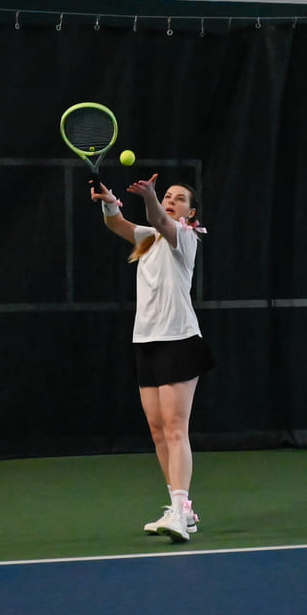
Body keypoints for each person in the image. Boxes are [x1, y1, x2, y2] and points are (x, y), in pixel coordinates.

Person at [92, 174, 215, 543]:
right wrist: (109, 202)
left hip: (180, 341)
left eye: (179, 199)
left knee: (176, 428)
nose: (171, 201)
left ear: (190, 212)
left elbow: (159, 218)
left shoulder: (186, 237)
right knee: (159, 431)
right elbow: (116, 223)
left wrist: (150, 197)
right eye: (168, 196)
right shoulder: (148, 239)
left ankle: (179, 510)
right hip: (146, 341)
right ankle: (181, 508)